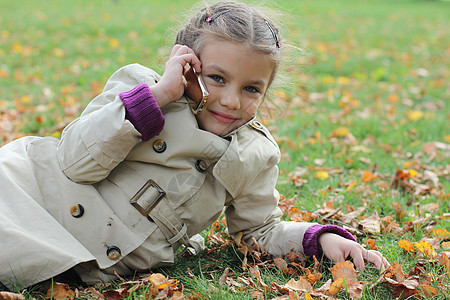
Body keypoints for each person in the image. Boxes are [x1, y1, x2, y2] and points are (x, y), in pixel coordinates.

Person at [0, 1, 390, 291]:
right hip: (33, 193)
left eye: (251, 88)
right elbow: (74, 162)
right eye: (217, 78)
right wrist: (158, 96)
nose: (231, 101)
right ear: (185, 63)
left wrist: (319, 238)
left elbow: (260, 229)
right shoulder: (142, 90)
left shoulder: (255, 153)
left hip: (91, 254)